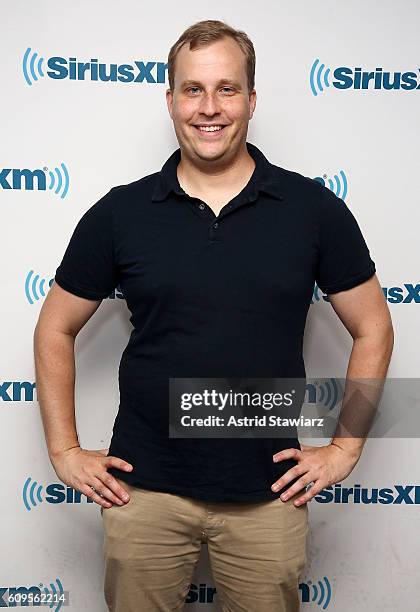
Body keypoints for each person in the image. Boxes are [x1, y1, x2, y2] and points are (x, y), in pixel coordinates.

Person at [34, 19, 394, 612]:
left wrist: (344, 448)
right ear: (170, 99)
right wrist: (65, 451)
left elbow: (374, 325)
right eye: (193, 89)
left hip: (268, 495)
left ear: (252, 100)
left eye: (227, 89)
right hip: (142, 494)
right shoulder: (120, 214)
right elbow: (55, 327)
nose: (210, 107)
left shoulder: (313, 210)